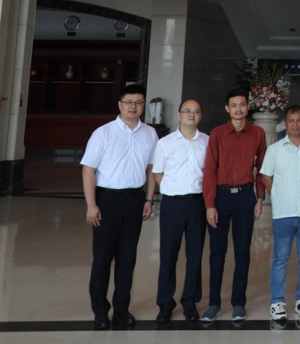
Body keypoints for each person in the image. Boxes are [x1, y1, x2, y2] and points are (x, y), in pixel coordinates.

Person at [81, 83, 158, 329]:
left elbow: (151, 170)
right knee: (102, 258)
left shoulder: (150, 134)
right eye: (129, 102)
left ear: (143, 106)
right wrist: (91, 205)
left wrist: (149, 199)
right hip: (107, 200)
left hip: (135, 200)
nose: (133, 107)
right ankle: (100, 311)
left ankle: (122, 309)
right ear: (120, 105)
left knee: (127, 259)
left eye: (138, 103)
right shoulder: (103, 133)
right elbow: (88, 170)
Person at [202, 88, 267, 323]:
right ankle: (214, 303)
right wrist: (210, 204)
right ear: (227, 108)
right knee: (217, 252)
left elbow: (261, 168)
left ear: (248, 107)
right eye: (234, 105)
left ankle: (239, 303)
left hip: (245, 197)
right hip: (221, 197)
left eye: (242, 104)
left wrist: (259, 198)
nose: (238, 109)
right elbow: (210, 170)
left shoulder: (258, 133)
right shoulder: (217, 134)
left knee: (242, 252)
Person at [260, 104, 300, 323]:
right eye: (291, 120)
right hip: (283, 214)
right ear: (285, 123)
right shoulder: (275, 149)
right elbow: (265, 176)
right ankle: (277, 302)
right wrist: (278, 194)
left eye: (299, 120)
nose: (295, 124)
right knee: (280, 259)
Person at [151, 98, 209, 323]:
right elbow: (157, 173)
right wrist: (171, 189)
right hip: (173, 204)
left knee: (195, 255)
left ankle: (190, 302)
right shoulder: (165, 143)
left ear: (200, 116)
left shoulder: (207, 141)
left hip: (198, 203)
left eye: (196, 111)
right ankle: (165, 304)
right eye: (187, 111)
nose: (191, 114)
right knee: (168, 255)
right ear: (179, 115)